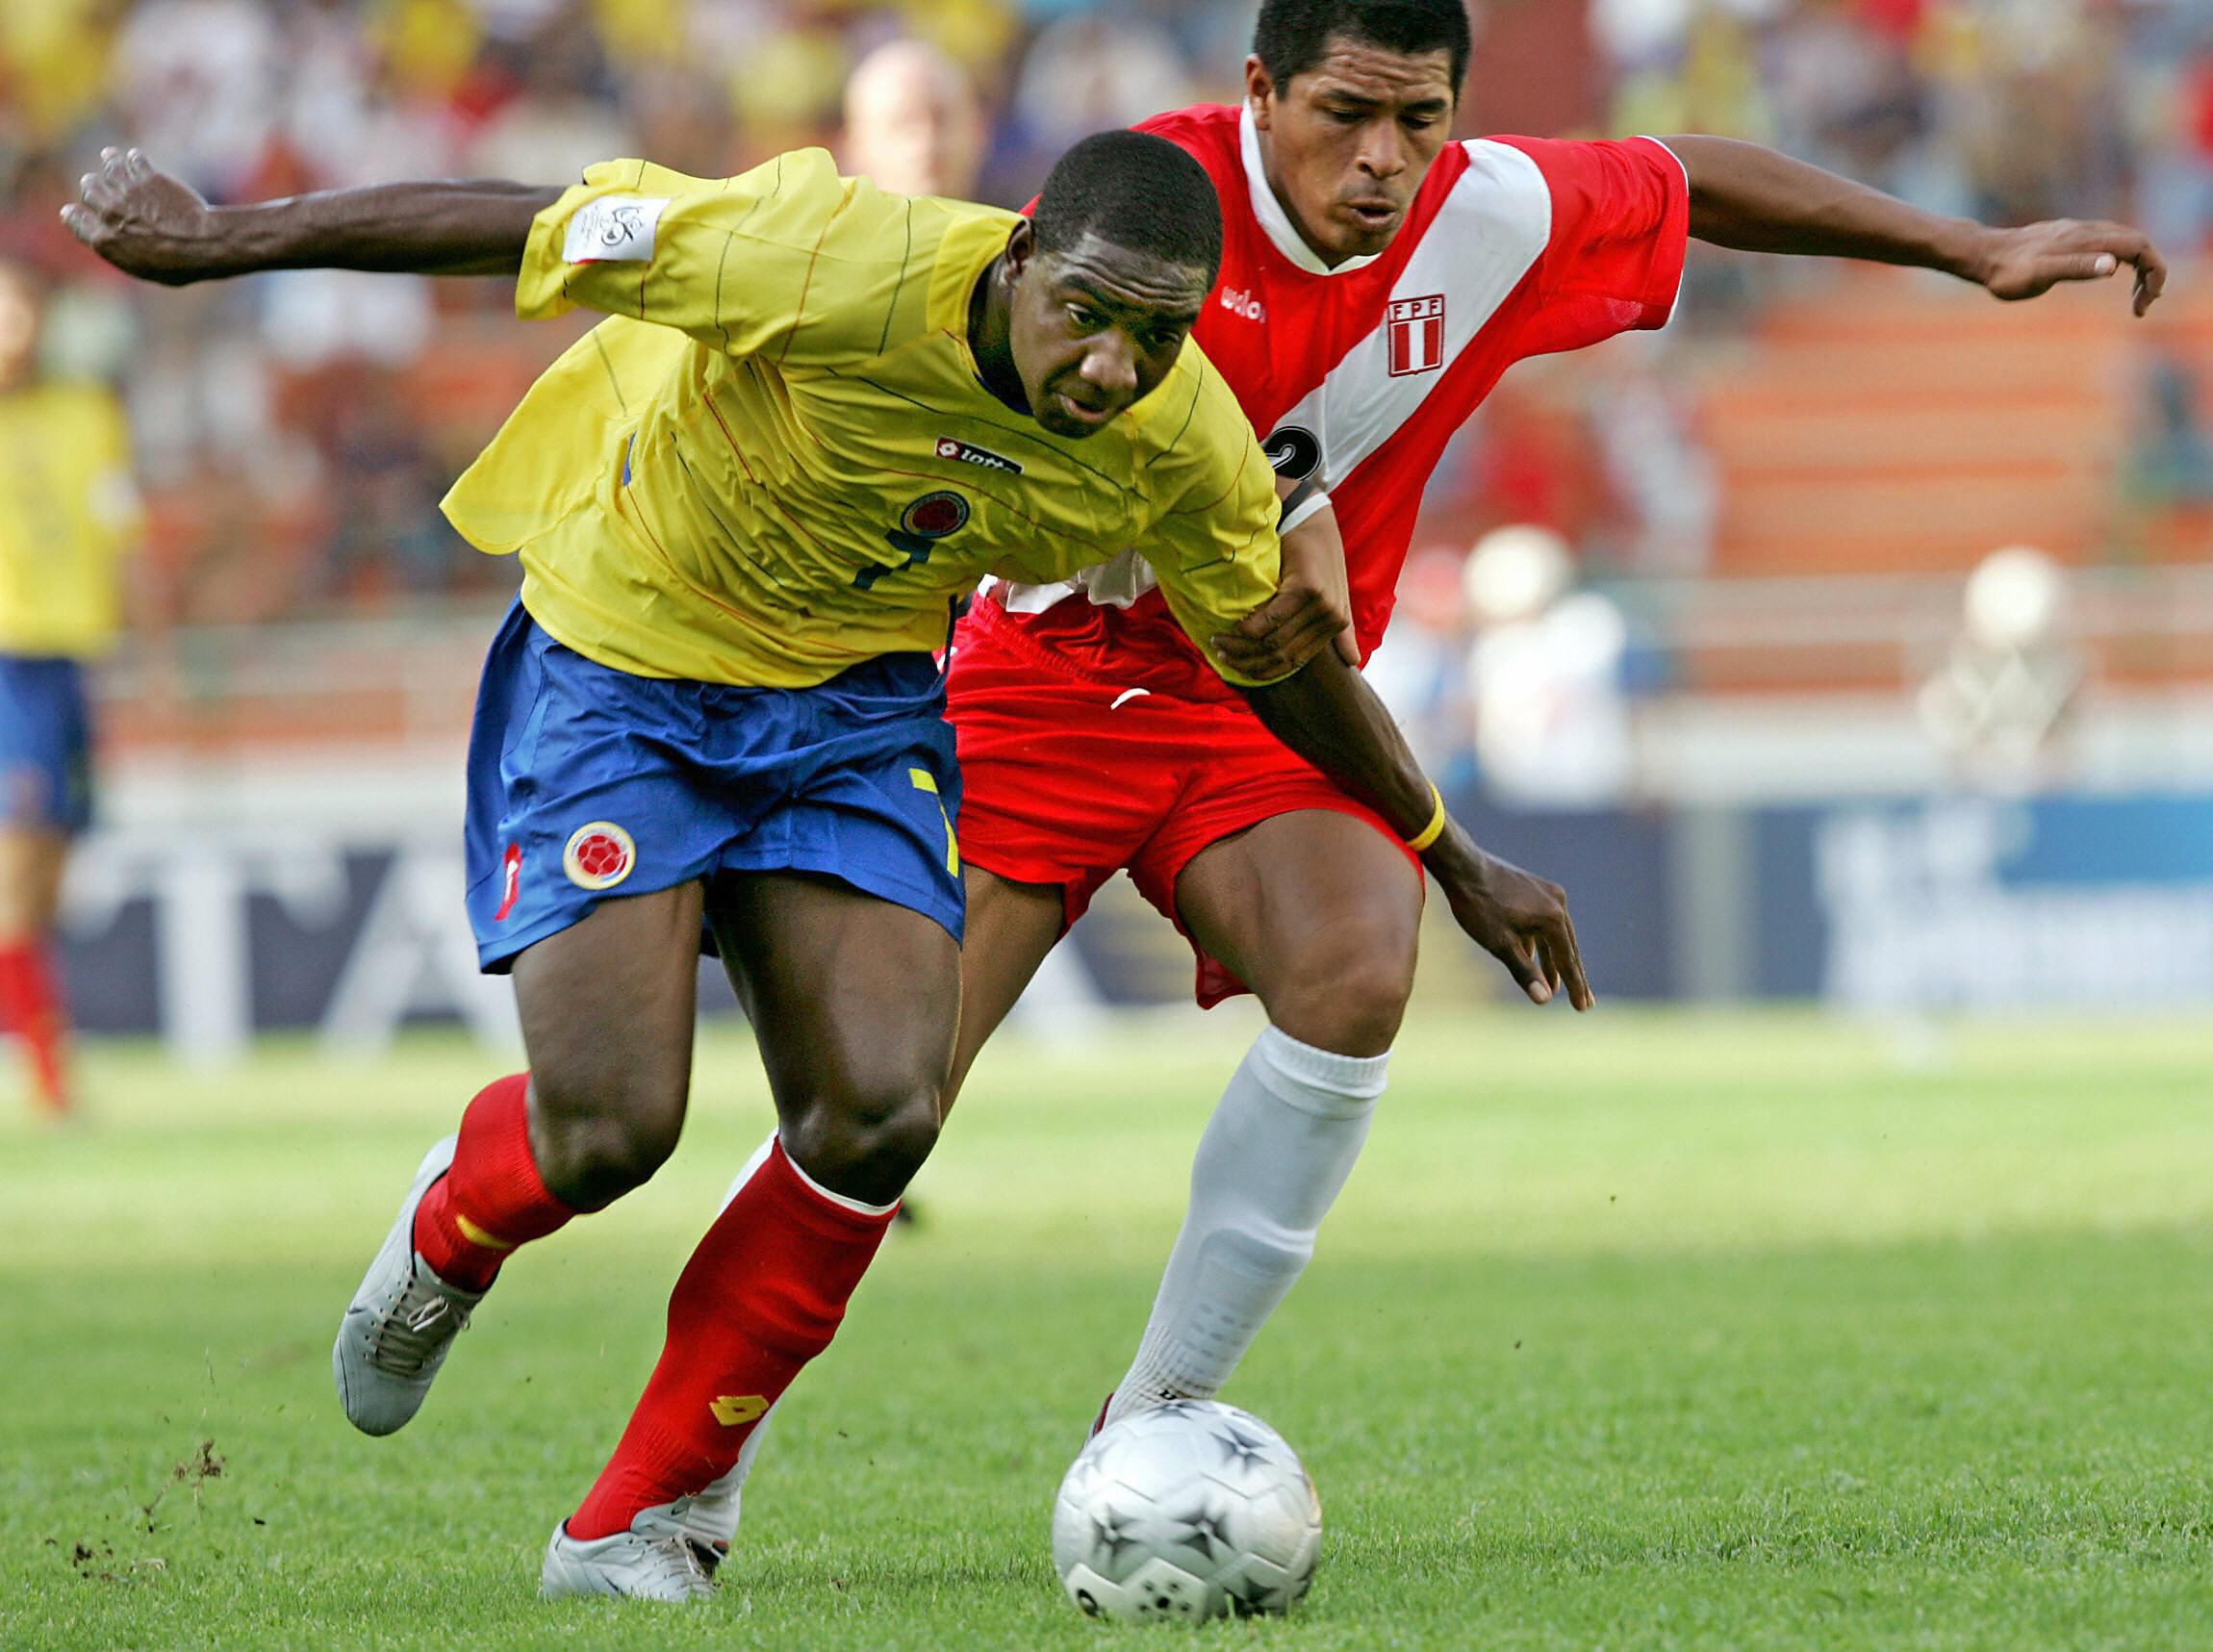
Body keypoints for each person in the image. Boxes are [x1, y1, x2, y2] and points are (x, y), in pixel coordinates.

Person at [676, 0, 2170, 1552]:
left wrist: (1966, 248)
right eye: (1345, 116)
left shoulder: (1490, 218)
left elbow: (1693, 178)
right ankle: (685, 1477)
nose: (1385, 161)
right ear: (1260, 92)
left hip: (1277, 710)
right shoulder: (1149, 211)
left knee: (1350, 966)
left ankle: (1154, 1431)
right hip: (1046, 686)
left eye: (1422, 121)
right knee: (876, 1109)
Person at [65, 127, 1588, 1599]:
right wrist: (222, 245)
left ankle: (630, 1527)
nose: (1115, 367)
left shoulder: (1178, 440)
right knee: (612, 1128)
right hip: (626, 664)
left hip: (857, 708)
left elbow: (1277, 660)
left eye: (1159, 336)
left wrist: (1449, 852)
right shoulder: (828, 259)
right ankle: (448, 1236)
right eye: (1089, 318)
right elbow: (534, 220)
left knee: (878, 1111)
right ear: (1020, 264)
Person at [0, 259, 142, 1118]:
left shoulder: (88, 412)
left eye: (17, 309)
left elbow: (120, 534)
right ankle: (53, 1080)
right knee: (16, 874)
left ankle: (46, 1057)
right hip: (7, 660)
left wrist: (152, 654)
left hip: (72, 665)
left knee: (49, 882)